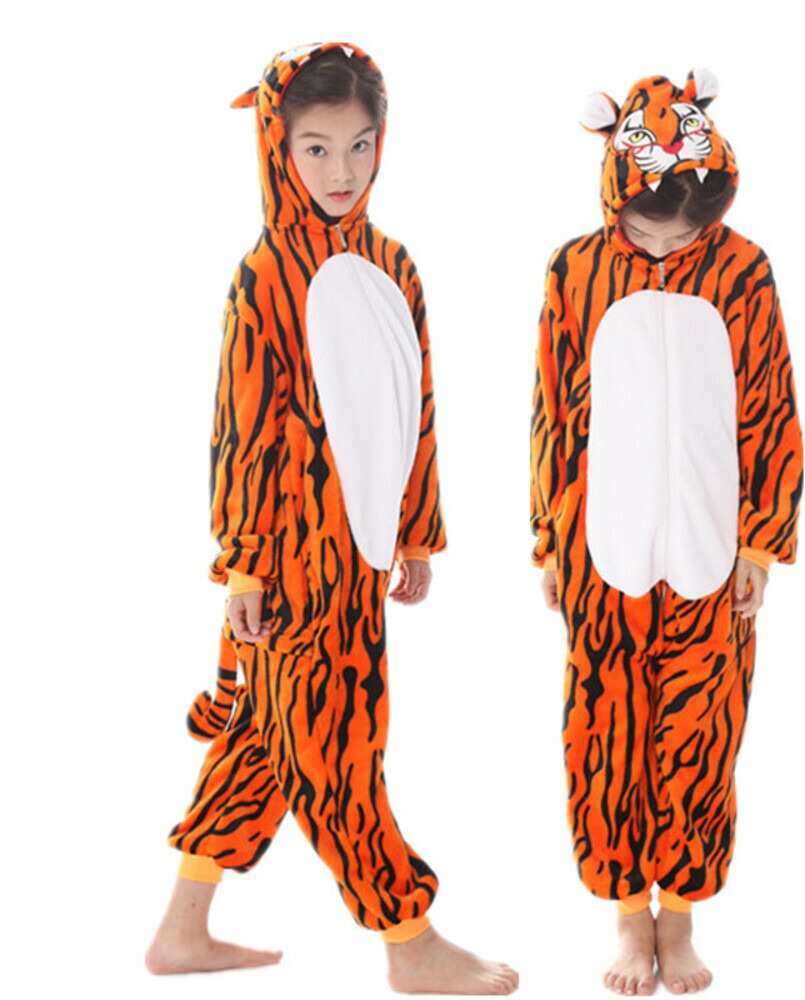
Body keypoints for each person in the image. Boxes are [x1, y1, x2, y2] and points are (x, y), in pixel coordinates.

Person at [145, 42, 518, 995]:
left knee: (264, 742)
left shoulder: (394, 264)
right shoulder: (265, 274)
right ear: (279, 149)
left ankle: (181, 933)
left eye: (358, 145)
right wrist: (245, 565)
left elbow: (415, 406)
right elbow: (241, 431)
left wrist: (416, 532)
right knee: (335, 746)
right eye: (315, 149)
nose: (341, 171)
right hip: (291, 559)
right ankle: (408, 937)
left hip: (360, 552)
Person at [529, 69, 803, 996]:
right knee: (603, 731)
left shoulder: (743, 269)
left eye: (683, 234)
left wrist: (761, 543)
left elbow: (770, 407)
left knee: (700, 734)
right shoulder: (575, 270)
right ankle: (625, 918)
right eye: (645, 232)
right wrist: (550, 541)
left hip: (714, 554)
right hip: (600, 549)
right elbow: (555, 414)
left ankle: (677, 919)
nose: (663, 247)